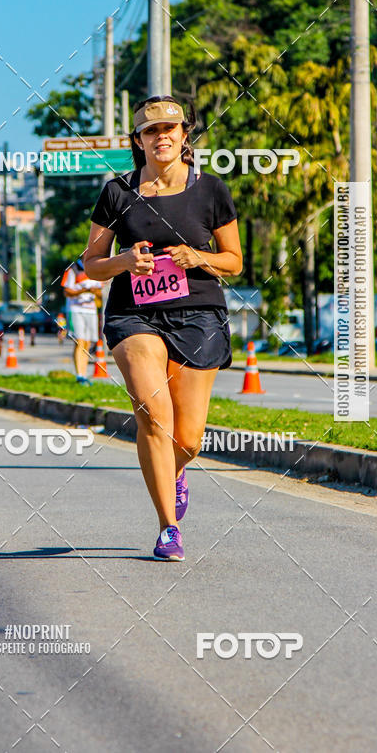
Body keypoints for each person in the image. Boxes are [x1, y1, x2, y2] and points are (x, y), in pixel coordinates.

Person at [84, 95, 242, 562]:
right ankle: (167, 528)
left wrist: (200, 258)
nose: (162, 137)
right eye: (151, 131)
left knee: (188, 438)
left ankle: (172, 472)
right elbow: (92, 264)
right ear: (138, 140)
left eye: (171, 128)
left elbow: (233, 260)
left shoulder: (211, 190)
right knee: (154, 417)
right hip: (134, 313)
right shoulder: (117, 192)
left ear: (185, 135)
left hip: (199, 313)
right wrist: (125, 261)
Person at [60, 258, 103, 385]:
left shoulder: (96, 269)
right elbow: (66, 291)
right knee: (79, 341)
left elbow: (100, 293)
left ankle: (84, 375)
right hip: (76, 309)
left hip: (91, 310)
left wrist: (97, 293)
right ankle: (79, 376)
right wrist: (85, 290)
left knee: (87, 343)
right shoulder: (73, 269)